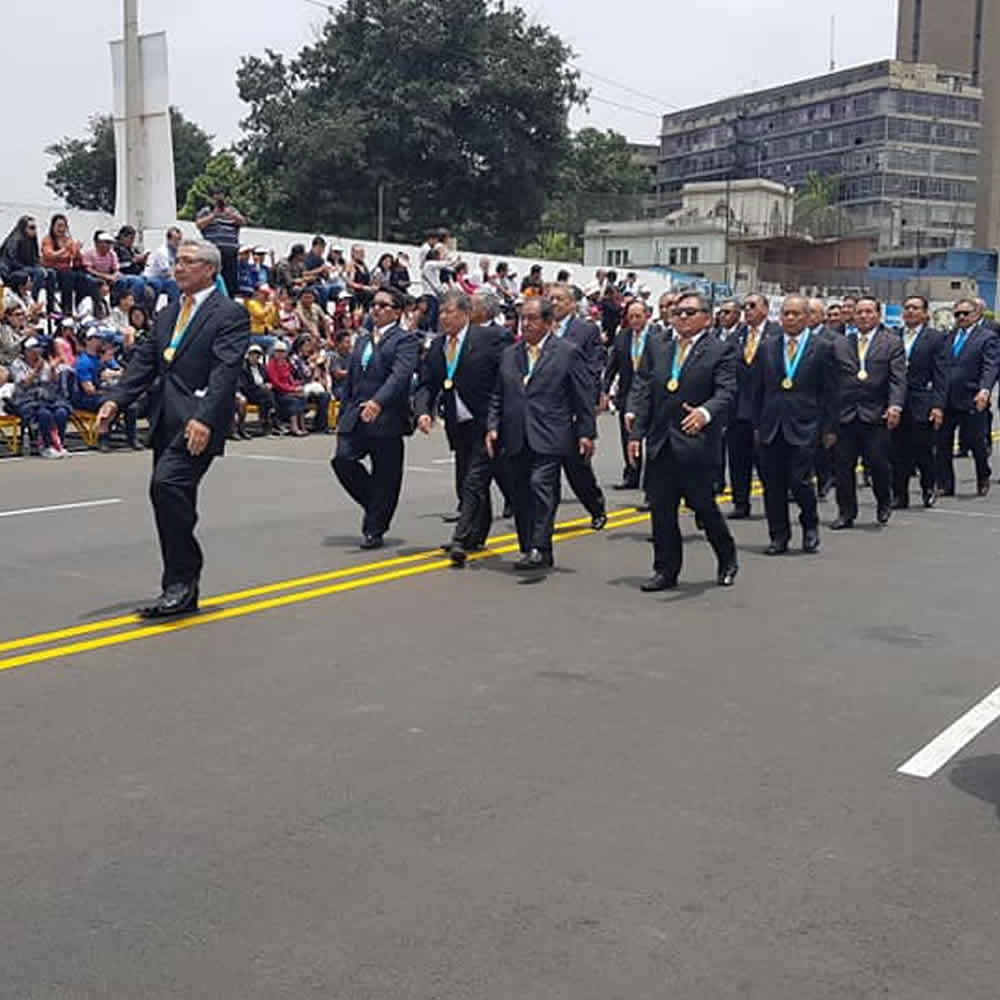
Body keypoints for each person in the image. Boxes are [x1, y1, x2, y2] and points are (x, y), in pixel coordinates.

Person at [96, 239, 250, 619]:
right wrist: (116, 400)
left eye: (188, 262)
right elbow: (145, 363)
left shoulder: (228, 313)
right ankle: (179, 588)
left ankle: (183, 579)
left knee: (167, 486)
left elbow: (225, 372)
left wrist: (205, 418)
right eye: (177, 261)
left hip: (198, 422)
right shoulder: (167, 314)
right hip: (165, 420)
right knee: (170, 496)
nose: (178, 268)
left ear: (209, 269)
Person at [626, 292, 738, 591]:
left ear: (706, 316)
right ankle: (665, 569)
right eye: (678, 312)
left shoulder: (720, 350)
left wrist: (705, 413)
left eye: (689, 312)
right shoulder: (659, 345)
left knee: (703, 506)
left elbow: (726, 392)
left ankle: (726, 556)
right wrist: (636, 432)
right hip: (662, 441)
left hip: (696, 441)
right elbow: (645, 388)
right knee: (662, 510)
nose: (682, 318)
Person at [486, 296, 595, 571]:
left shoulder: (567, 352)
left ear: (549, 323)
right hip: (515, 434)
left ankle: (539, 544)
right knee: (520, 492)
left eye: (533, 319)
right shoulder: (511, 354)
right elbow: (498, 395)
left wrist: (586, 432)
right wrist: (492, 426)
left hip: (551, 433)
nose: (527, 324)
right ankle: (530, 548)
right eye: (524, 319)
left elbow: (583, 396)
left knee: (541, 486)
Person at [414, 290, 507, 565]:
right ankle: (477, 533)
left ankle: (460, 538)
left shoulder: (489, 339)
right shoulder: (438, 346)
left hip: (487, 421)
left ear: (465, 313)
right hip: (459, 423)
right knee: (467, 480)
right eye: (441, 312)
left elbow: (505, 379)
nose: (444, 317)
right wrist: (423, 411)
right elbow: (427, 384)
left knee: (474, 481)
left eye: (450, 312)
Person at [332, 286, 419, 549]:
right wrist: (345, 406)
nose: (377, 310)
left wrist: (378, 402)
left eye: (384, 305)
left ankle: (375, 527)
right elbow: (352, 377)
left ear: (398, 311)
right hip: (355, 414)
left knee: (386, 474)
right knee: (343, 460)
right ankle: (376, 505)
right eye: (375, 305)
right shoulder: (362, 339)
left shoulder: (405, 340)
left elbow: (399, 376)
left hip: (386, 416)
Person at [752, 295, 840, 554]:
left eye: (796, 314)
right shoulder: (768, 347)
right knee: (773, 484)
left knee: (800, 481)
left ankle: (809, 525)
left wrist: (830, 428)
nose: (790, 318)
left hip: (805, 425)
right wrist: (756, 423)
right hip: (772, 425)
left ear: (807, 317)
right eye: (786, 314)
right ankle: (779, 535)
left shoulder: (822, 347)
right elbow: (757, 389)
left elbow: (831, 392)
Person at [830, 297, 906, 528]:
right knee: (843, 467)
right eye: (859, 312)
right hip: (846, 414)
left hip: (876, 415)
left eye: (868, 312)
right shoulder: (841, 344)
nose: (863, 316)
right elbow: (832, 380)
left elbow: (897, 379)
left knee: (877, 464)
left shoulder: (891, 343)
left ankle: (884, 501)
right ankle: (846, 512)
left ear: (878, 315)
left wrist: (895, 405)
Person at [550, 283, 608, 530]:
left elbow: (594, 367)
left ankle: (595, 507)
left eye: (560, 299)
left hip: (573, 405)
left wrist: (592, 398)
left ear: (572, 304)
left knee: (576, 467)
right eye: (550, 298)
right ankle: (543, 521)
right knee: (545, 471)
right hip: (546, 408)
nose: (554, 303)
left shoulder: (586, 330)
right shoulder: (540, 328)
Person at [936, 298, 1000, 497]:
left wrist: (985, 389)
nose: (961, 317)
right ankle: (945, 483)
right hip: (946, 398)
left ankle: (983, 474)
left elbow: (990, 366)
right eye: (958, 314)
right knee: (942, 442)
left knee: (975, 441)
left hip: (972, 397)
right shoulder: (947, 337)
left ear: (976, 315)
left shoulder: (987, 337)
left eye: (966, 313)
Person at [728, 293, 781, 518]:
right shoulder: (736, 336)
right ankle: (741, 502)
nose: (747, 310)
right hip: (738, 408)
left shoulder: (776, 335)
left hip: (764, 409)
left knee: (766, 462)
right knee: (738, 459)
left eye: (752, 306)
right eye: (744, 306)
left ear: (765, 309)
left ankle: (773, 503)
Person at [891, 296, 946, 509]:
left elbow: (941, 375)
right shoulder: (894, 335)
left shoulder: (935, 338)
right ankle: (899, 494)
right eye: (907, 308)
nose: (910, 312)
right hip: (897, 401)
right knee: (897, 452)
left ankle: (928, 487)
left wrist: (938, 405)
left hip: (922, 401)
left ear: (925, 313)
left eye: (915, 308)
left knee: (923, 450)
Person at [603, 299, 651, 497]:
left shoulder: (657, 337)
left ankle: (651, 482)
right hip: (626, 395)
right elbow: (612, 367)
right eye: (630, 316)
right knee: (628, 437)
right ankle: (631, 474)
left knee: (650, 440)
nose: (634, 320)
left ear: (647, 316)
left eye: (638, 316)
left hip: (649, 396)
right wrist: (604, 391)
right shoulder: (623, 337)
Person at [9, 336, 70, 457]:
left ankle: (58, 444)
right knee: (44, 414)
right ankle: (46, 446)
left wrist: (52, 369)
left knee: (61, 412)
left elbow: (52, 382)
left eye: (39, 349)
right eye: (34, 349)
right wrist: (37, 370)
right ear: (26, 351)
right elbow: (24, 384)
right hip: (26, 400)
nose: (37, 352)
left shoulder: (44, 362)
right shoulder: (17, 364)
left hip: (46, 398)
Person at [195, 190, 246, 296]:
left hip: (230, 253)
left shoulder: (232, 210)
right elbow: (199, 224)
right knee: (214, 279)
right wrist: (214, 215)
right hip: (213, 253)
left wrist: (232, 215)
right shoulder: (206, 211)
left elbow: (243, 222)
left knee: (230, 282)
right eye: (216, 197)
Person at [41, 214, 90, 316]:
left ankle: (80, 309)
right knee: (67, 275)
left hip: (67, 269)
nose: (61, 229)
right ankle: (66, 309)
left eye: (63, 226)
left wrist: (77, 251)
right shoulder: (48, 239)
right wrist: (65, 249)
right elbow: (49, 255)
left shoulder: (68, 240)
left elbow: (75, 260)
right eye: (58, 226)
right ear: (53, 227)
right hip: (53, 269)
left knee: (82, 278)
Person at [0, 216, 54, 308]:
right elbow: (11, 261)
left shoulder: (32, 240)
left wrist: (39, 266)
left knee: (51, 273)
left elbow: (35, 259)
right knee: (39, 272)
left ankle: (50, 307)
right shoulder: (14, 240)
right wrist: (31, 269)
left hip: (26, 269)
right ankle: (33, 301)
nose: (35, 230)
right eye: (32, 228)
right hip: (12, 271)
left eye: (35, 228)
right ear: (23, 228)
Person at [266, 339, 308, 436]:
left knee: (302, 397)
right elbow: (276, 383)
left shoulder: (286, 363)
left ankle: (302, 425)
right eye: (278, 351)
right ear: (274, 352)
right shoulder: (271, 364)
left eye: (283, 352)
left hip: (288, 389)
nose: (280, 354)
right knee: (293, 400)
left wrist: (297, 386)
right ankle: (294, 427)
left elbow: (290, 379)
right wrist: (292, 390)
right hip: (278, 392)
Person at [236, 344, 276, 437]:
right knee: (266, 396)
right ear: (248, 355)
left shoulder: (261, 367)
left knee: (267, 395)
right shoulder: (244, 367)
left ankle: (267, 423)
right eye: (253, 354)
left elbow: (267, 379)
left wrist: (268, 384)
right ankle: (270, 417)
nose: (255, 357)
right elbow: (244, 385)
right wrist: (260, 387)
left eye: (257, 355)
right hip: (249, 392)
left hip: (261, 393)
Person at [143, 226, 182, 306]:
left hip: (164, 278)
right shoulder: (162, 252)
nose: (178, 242)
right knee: (173, 283)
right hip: (153, 277)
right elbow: (168, 272)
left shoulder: (177, 251)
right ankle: (173, 309)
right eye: (175, 240)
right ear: (169, 239)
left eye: (179, 239)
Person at [113, 226, 149, 302]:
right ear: (122, 236)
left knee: (155, 283)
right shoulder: (115, 248)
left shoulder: (132, 248)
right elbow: (120, 265)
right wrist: (134, 260)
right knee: (139, 281)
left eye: (133, 239)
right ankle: (134, 305)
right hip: (123, 274)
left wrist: (143, 260)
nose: (132, 241)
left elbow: (139, 261)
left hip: (137, 273)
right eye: (130, 238)